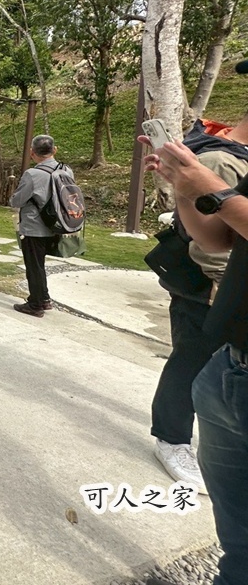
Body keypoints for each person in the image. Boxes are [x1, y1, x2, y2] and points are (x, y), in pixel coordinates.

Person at [144, 92, 248, 585]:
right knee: (239, 544)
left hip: (220, 313)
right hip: (223, 332)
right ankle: (170, 435)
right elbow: (215, 239)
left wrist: (211, 189)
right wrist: (187, 190)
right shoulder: (224, 158)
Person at [9, 134, 72, 317]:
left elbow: (17, 200)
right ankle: (44, 299)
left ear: (31, 153)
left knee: (34, 265)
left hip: (34, 227)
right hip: (58, 225)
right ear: (55, 150)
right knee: (40, 264)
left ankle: (35, 304)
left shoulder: (32, 174)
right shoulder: (67, 170)